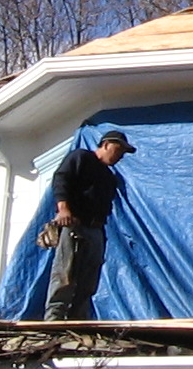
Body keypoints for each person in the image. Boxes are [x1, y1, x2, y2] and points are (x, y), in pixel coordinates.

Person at [45, 128, 135, 321]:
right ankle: (54, 320)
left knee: (89, 279)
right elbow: (61, 179)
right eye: (118, 150)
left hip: (96, 229)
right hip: (74, 224)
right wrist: (63, 208)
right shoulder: (82, 158)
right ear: (106, 145)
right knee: (65, 273)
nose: (120, 156)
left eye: (123, 153)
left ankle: (78, 320)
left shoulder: (109, 178)